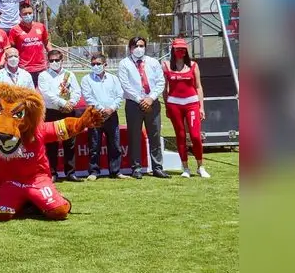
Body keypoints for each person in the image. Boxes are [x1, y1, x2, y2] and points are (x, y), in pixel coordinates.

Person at [117, 36, 169, 179]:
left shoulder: (153, 62)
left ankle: (157, 167)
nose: (138, 49)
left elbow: (160, 82)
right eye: (135, 46)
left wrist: (150, 98)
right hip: (134, 103)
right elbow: (125, 84)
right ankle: (136, 168)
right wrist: (140, 100)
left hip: (153, 102)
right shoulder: (124, 64)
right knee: (134, 136)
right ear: (130, 48)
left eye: (141, 45)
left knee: (155, 135)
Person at [163, 38, 210, 178]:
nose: (180, 52)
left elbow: (198, 86)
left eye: (183, 49)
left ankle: (200, 166)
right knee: (181, 135)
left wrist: (201, 107)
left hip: (192, 103)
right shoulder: (166, 65)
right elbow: (165, 89)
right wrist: (166, 106)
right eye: (178, 49)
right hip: (174, 104)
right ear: (173, 50)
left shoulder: (193, 65)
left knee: (195, 136)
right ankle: (185, 168)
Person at [81, 54, 129, 180]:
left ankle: (115, 171)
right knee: (94, 144)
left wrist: (111, 108)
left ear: (105, 65)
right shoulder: (86, 79)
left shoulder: (113, 79)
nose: (95, 66)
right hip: (95, 115)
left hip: (112, 115)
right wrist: (102, 109)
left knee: (115, 144)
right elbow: (88, 96)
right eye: (93, 64)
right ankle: (94, 172)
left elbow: (120, 95)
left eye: (98, 64)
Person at [38, 50, 83, 182]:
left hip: (69, 111)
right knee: (51, 144)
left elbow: (76, 91)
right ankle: (52, 173)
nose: (54, 63)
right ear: (48, 61)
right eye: (51, 60)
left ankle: (70, 172)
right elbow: (46, 94)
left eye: (57, 60)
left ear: (62, 61)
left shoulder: (69, 74)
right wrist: (63, 103)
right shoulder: (43, 75)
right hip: (52, 112)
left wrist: (71, 103)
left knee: (70, 142)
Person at [9, 2, 50, 86]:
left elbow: (47, 43)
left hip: (41, 68)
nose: (28, 15)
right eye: (25, 13)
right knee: (26, 95)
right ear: (20, 15)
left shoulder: (40, 26)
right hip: (24, 69)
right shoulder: (15, 30)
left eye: (30, 13)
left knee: (41, 94)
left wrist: (52, 56)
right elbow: (11, 49)